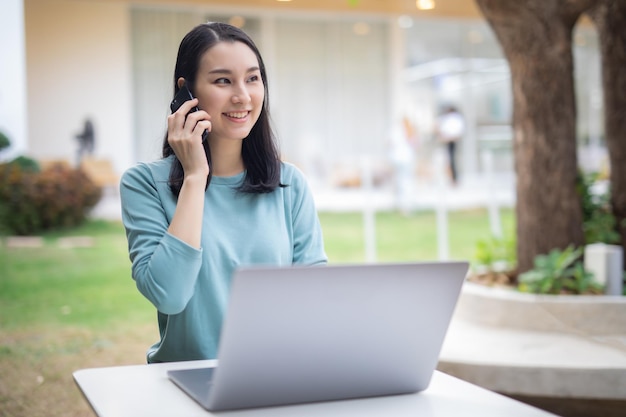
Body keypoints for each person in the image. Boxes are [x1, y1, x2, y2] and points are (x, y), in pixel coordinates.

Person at [119, 22, 328, 363]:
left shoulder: (290, 185)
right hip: (186, 383)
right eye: (222, 80)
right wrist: (195, 177)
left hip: (277, 377)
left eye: (252, 78)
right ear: (186, 91)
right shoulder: (143, 184)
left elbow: (316, 301)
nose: (242, 96)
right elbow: (169, 295)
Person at [435, 105, 464, 185]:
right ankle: (450, 177)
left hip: (452, 141)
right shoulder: (447, 118)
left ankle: (453, 178)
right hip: (446, 140)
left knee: (452, 160)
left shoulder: (454, 118)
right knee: (447, 160)